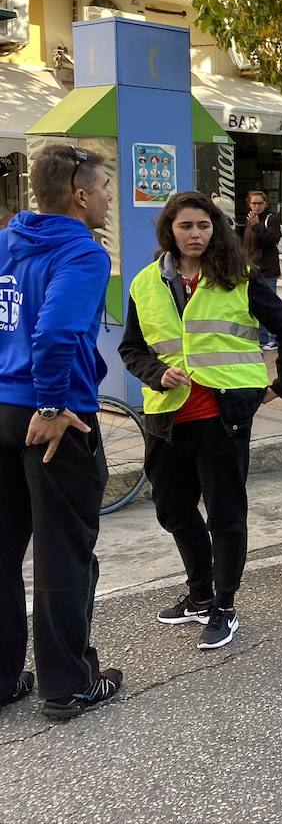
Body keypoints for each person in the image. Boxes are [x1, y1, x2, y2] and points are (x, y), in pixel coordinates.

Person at [120, 191, 282, 651]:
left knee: (225, 513)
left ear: (215, 228)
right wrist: (156, 373)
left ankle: (224, 605)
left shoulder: (238, 277)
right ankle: (199, 593)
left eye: (204, 225)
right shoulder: (145, 283)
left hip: (223, 416)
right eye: (186, 226)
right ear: (170, 230)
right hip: (166, 415)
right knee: (173, 509)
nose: (195, 234)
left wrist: (281, 385)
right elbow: (131, 348)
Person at [0, 145, 123, 720]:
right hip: (55, 418)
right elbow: (54, 333)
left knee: (4, 550)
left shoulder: (8, 241)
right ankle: (68, 685)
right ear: (79, 194)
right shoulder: (82, 252)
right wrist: (50, 403)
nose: (107, 198)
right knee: (62, 553)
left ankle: (5, 678)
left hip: (3, 410)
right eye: (103, 187)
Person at [242, 190, 282, 350]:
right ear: (249, 204)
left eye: (260, 203)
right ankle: (261, 338)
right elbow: (247, 244)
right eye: (254, 203)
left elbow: (271, 240)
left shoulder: (270, 219)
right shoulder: (250, 219)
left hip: (267, 269)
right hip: (252, 268)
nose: (257, 206)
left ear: (265, 204)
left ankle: (274, 338)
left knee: (269, 305)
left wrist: (257, 226)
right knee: (255, 305)